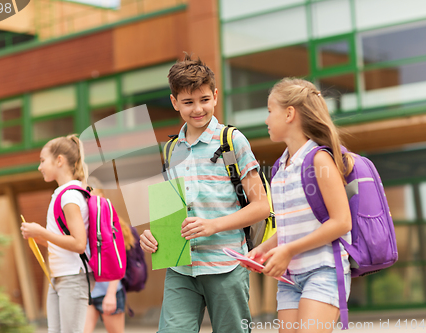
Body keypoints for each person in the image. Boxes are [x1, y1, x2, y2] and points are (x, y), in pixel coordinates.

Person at [139, 54, 270, 333]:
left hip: (226, 265)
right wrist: (153, 235)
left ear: (215, 96)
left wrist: (213, 226)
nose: (198, 109)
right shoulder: (170, 150)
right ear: (174, 102)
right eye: (188, 102)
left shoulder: (232, 140)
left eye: (204, 100)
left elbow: (261, 206)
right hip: (180, 269)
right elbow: (168, 214)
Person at [244, 78, 354, 333]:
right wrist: (262, 250)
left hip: (323, 271)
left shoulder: (319, 159)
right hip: (290, 277)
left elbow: (341, 222)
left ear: (290, 113)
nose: (266, 119)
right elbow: (292, 228)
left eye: (270, 111)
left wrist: (288, 250)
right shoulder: (280, 168)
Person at [21, 134, 95, 333]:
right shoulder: (62, 194)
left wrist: (42, 232)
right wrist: (39, 237)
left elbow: (79, 244)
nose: (40, 167)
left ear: (59, 160)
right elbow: (65, 242)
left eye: (43, 161)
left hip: (73, 277)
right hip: (59, 277)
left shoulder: (70, 196)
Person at [84, 178, 135, 333]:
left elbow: (117, 260)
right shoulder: (82, 224)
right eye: (86, 198)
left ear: (102, 197)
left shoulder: (112, 224)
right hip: (88, 293)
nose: (89, 202)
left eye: (93, 196)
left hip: (109, 290)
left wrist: (111, 294)